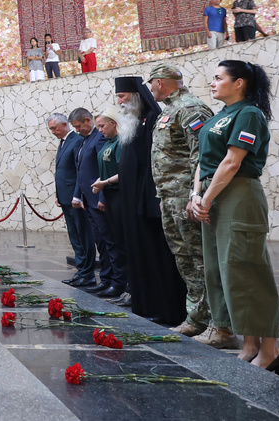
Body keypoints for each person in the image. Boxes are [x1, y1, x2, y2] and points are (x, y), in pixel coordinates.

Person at [190, 60, 279, 377]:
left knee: (248, 269)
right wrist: (196, 195)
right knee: (224, 271)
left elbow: (232, 162)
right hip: (214, 197)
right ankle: (249, 346)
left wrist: (206, 197)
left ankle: (270, 351)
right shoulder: (219, 116)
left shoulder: (249, 114)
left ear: (239, 83)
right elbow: (204, 162)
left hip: (239, 195)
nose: (212, 83)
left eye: (219, 78)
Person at [148, 64, 216, 339]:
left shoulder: (190, 108)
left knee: (200, 258)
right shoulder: (169, 109)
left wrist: (195, 195)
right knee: (185, 259)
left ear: (161, 82)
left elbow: (202, 154)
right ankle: (196, 317)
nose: (150, 88)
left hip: (185, 198)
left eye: (151, 82)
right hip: (168, 197)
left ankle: (217, 321)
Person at [114, 76, 187, 326]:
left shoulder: (154, 119)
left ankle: (165, 309)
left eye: (122, 97)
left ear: (136, 96)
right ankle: (144, 305)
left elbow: (155, 164)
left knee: (157, 256)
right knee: (139, 254)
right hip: (132, 201)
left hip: (148, 202)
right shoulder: (134, 122)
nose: (119, 102)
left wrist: (149, 199)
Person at [70, 107, 123, 297]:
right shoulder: (86, 140)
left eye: (78, 126)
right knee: (100, 242)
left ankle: (116, 282)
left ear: (87, 120)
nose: (77, 130)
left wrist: (102, 196)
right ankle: (106, 279)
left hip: (99, 199)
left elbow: (105, 168)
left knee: (109, 242)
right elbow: (81, 172)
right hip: (89, 199)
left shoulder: (99, 138)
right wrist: (79, 196)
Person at [47, 113, 92, 286]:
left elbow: (79, 171)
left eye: (54, 128)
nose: (53, 132)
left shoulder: (76, 140)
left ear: (65, 124)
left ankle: (87, 273)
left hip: (75, 199)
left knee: (83, 235)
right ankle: (81, 272)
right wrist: (59, 194)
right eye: (51, 129)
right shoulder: (63, 142)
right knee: (74, 236)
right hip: (65, 198)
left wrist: (76, 195)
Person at [91, 106, 128, 302]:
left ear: (114, 123)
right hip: (110, 196)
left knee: (122, 243)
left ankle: (124, 285)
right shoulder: (108, 142)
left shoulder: (121, 143)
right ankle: (118, 282)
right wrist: (102, 182)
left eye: (102, 126)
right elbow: (107, 168)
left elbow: (124, 170)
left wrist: (104, 183)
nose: (100, 130)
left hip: (120, 196)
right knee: (114, 242)